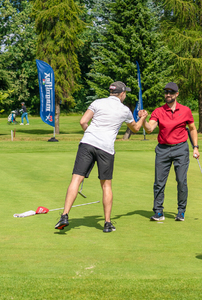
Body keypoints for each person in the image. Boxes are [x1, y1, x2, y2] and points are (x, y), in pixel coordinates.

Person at [55, 81, 147, 232]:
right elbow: (136, 128)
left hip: (87, 143)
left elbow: (83, 121)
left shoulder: (97, 102)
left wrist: (90, 134)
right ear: (122, 93)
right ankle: (107, 223)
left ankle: (64, 215)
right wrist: (142, 117)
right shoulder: (125, 110)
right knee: (106, 185)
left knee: (76, 179)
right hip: (106, 149)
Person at [141, 82, 199, 222]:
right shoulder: (158, 111)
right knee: (159, 182)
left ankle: (181, 211)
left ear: (176, 94)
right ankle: (159, 212)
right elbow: (149, 129)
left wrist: (196, 147)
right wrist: (143, 119)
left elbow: (192, 129)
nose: (168, 95)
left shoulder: (185, 110)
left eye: (171, 92)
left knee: (181, 181)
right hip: (163, 149)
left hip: (181, 149)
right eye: (166, 92)